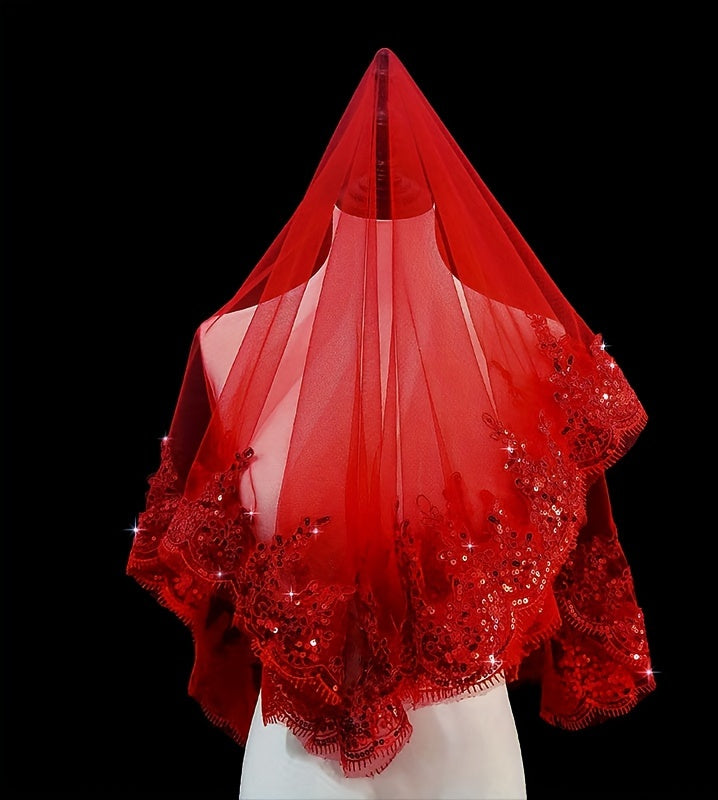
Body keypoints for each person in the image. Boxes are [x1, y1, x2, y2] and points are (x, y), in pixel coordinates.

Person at [127, 48, 654, 800]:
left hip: (458, 769)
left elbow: (580, 569)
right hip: (307, 771)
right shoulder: (226, 345)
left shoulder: (539, 351)